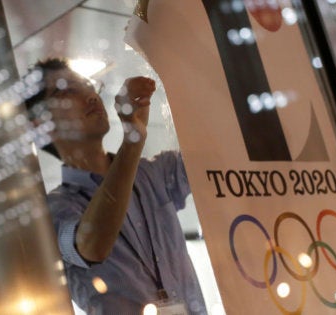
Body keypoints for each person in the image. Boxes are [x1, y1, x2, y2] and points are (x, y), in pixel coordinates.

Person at [25, 58, 207, 315]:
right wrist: (132, 141)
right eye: (66, 90)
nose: (89, 96)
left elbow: (218, 154)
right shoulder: (53, 211)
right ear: (41, 126)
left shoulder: (154, 172)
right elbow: (92, 246)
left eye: (87, 85)